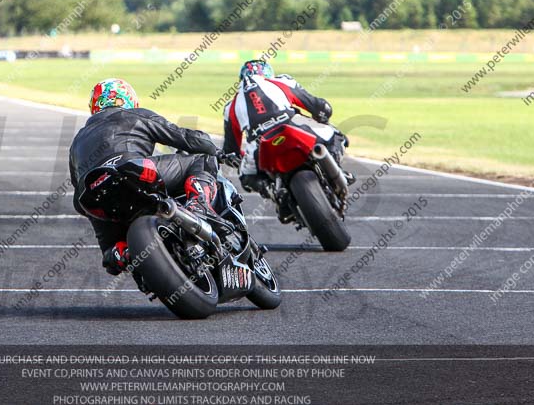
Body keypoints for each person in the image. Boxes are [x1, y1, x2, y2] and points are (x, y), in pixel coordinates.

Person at [69, 78, 220, 275]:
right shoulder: (135, 115)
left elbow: (77, 186)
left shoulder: (77, 140)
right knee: (200, 159)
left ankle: (118, 253)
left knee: (108, 246)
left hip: (94, 195)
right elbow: (184, 137)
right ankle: (199, 204)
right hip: (132, 171)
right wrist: (213, 148)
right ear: (129, 99)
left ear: (95, 106)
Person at [222, 60, 351, 196]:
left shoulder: (230, 107)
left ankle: (273, 193)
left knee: (247, 177)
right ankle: (338, 172)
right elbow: (318, 106)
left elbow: (231, 151)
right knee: (336, 136)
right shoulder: (282, 81)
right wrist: (322, 117)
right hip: (294, 127)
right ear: (269, 74)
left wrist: (239, 159)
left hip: (258, 145)